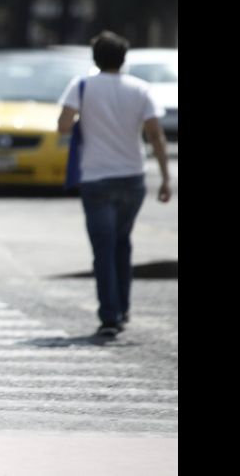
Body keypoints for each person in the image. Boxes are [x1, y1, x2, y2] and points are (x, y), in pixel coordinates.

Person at [57, 31, 171, 338]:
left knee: (103, 248)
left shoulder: (81, 87)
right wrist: (165, 178)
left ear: (95, 58)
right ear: (124, 59)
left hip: (96, 179)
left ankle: (110, 315)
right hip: (133, 177)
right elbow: (156, 135)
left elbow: (63, 127)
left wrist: (85, 120)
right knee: (123, 242)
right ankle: (123, 307)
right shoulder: (140, 89)